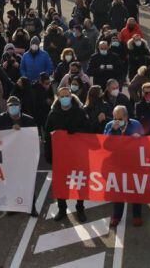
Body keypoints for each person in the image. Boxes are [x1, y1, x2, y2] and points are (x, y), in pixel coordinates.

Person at [44, 87, 88, 222]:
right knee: (61, 184)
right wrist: (49, 155)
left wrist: (74, 132)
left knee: (79, 183)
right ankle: (61, 209)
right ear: (58, 97)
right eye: (62, 96)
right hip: (60, 157)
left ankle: (80, 208)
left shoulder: (79, 112)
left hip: (77, 155)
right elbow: (47, 134)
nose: (65, 98)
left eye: (67, 95)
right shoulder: (53, 114)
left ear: (71, 96)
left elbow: (88, 130)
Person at [103, 105, 145, 227]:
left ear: (126, 116)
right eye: (115, 117)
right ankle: (116, 216)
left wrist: (139, 138)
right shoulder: (109, 125)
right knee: (118, 190)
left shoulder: (136, 124)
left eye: (120, 118)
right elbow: (105, 145)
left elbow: (146, 142)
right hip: (117, 163)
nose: (117, 120)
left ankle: (137, 215)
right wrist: (113, 130)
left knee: (136, 188)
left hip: (134, 162)